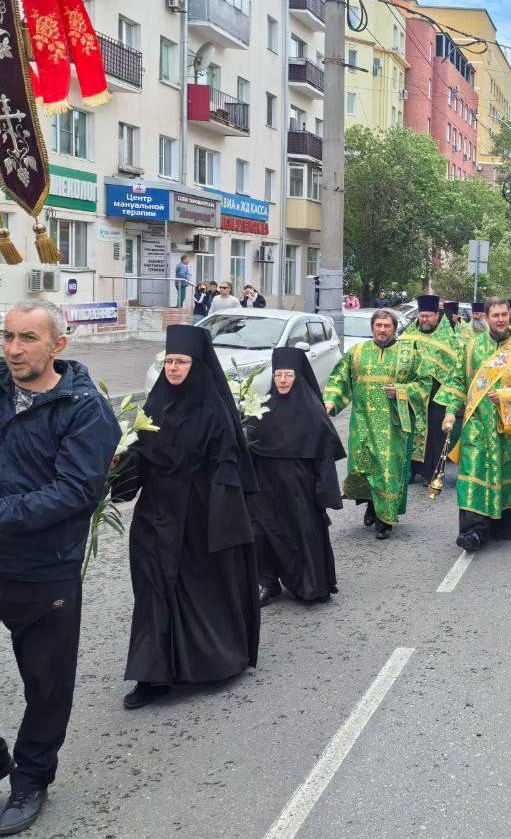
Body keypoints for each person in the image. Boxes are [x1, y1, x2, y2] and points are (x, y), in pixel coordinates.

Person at [0, 301, 118, 836]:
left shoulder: (85, 410)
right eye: (7, 336)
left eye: (27, 338)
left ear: (58, 346)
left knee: (46, 685)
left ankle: (30, 780)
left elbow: (74, 492)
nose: (14, 349)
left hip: (44, 568)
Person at [117, 324, 260, 711]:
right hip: (155, 514)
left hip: (198, 516)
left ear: (197, 365)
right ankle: (151, 675)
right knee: (152, 589)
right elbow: (141, 453)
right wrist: (118, 469)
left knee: (196, 591)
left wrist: (223, 518)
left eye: (181, 362)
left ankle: (210, 660)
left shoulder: (214, 411)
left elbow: (227, 467)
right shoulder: (156, 404)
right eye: (169, 362)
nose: (173, 369)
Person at [438, 298, 511, 553]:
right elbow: (457, 381)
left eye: (503, 314)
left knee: (504, 473)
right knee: (473, 474)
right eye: (495, 315)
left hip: (508, 426)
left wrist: (508, 395)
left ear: (509, 316)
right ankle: (473, 531)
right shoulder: (473, 347)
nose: (500, 319)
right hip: (477, 424)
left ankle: (501, 525)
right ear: (487, 318)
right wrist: (450, 412)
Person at [322, 309, 436, 540]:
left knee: (386, 470)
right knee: (364, 467)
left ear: (395, 328)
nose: (382, 330)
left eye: (387, 326)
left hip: (392, 426)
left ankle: (385, 519)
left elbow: (424, 383)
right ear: (373, 327)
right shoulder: (357, 352)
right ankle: (372, 505)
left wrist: (402, 390)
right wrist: (330, 401)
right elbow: (340, 378)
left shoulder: (409, 354)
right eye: (378, 325)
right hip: (362, 422)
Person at [247, 347, 345, 606]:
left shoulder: (313, 412)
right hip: (265, 486)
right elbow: (250, 446)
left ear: (298, 377)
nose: (282, 380)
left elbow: (324, 455)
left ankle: (309, 584)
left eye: (288, 375)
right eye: (278, 375)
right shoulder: (262, 409)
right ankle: (267, 582)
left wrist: (324, 491)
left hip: (300, 488)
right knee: (260, 532)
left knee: (301, 534)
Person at [400, 295, 461, 489]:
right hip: (414, 393)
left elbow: (455, 366)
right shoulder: (409, 335)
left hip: (437, 393)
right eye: (422, 316)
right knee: (410, 430)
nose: (424, 319)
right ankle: (411, 470)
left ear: (436, 316)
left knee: (435, 434)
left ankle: (432, 472)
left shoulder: (447, 337)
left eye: (428, 316)